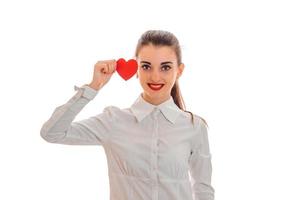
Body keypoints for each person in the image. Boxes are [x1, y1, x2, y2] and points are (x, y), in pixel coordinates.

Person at [40, 30, 215, 200]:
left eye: (165, 67)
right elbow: (52, 133)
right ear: (136, 69)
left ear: (179, 70)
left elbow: (202, 189)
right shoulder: (113, 121)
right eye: (146, 66)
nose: (155, 76)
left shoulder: (194, 127)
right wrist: (93, 87)